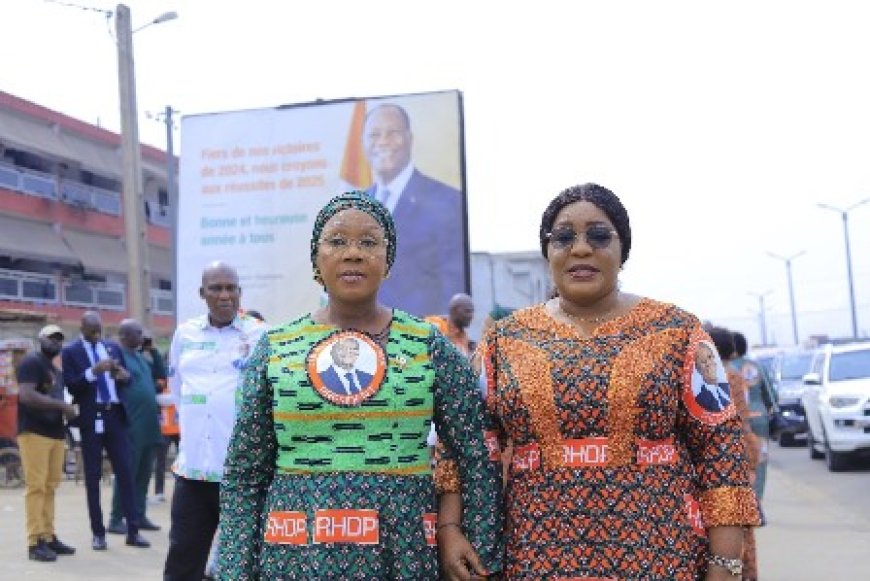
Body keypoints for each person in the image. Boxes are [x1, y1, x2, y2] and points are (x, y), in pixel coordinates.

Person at [217, 191, 503, 579]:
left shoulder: (428, 346)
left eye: (369, 242)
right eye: (337, 241)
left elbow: (474, 455)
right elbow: (245, 474)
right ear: (316, 260)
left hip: (402, 557)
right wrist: (235, 571)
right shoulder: (276, 349)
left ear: (388, 261)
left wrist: (473, 542)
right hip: (297, 558)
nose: (353, 253)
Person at [480, 183, 760, 580]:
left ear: (623, 249)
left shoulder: (678, 331)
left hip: (660, 553)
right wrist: (458, 533)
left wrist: (726, 561)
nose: (580, 248)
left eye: (598, 235)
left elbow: (721, 450)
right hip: (535, 554)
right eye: (563, 237)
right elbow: (476, 451)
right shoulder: (504, 341)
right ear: (547, 252)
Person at [162, 261, 266, 581]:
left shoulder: (261, 335)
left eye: (231, 288)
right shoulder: (186, 334)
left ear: (239, 292)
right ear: (202, 293)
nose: (225, 295)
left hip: (242, 477)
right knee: (183, 562)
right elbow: (179, 392)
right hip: (192, 473)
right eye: (216, 288)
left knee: (239, 567)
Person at [363, 102, 465, 317]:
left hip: (417, 340)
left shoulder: (447, 201)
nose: (383, 142)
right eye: (374, 135)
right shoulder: (355, 205)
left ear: (410, 139)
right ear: (363, 143)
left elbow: (453, 284)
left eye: (393, 133)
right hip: (361, 341)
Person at [61, 311, 151, 551]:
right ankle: (98, 533)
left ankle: (133, 530)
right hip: (91, 418)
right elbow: (71, 385)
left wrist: (122, 375)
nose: (97, 335)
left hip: (114, 416)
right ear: (82, 329)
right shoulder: (71, 352)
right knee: (93, 477)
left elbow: (126, 380)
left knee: (126, 472)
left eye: (99, 331)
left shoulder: (111, 347)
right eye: (92, 331)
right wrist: (94, 371)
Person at [16, 324, 78, 562]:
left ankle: (49, 536)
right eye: (51, 338)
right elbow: (26, 395)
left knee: (50, 486)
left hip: (54, 433)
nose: (56, 343)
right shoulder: (32, 362)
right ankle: (35, 542)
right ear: (39, 339)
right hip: (34, 432)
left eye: (59, 339)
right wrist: (62, 406)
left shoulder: (55, 370)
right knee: (36, 487)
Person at [707, 327, 761, 581]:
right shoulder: (734, 376)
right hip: (736, 451)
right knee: (740, 526)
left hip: (718, 455)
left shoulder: (706, 377)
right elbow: (742, 421)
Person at [106, 319, 162, 535]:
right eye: (139, 332)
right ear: (125, 335)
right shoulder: (119, 357)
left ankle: (138, 514)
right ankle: (115, 518)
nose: (143, 336)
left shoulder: (140, 357)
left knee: (144, 472)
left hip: (148, 425)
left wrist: (154, 351)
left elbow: (160, 374)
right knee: (126, 472)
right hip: (131, 425)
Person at [732, 330, 776, 499]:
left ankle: (744, 501)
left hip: (736, 421)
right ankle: (757, 500)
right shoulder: (756, 366)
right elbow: (772, 396)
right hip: (759, 419)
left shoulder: (724, 368)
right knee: (760, 459)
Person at [425, 293, 476, 358]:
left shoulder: (463, 337)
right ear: (455, 310)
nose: (471, 316)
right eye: (467, 311)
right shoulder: (435, 324)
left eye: (472, 312)